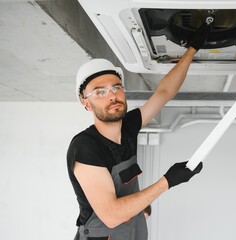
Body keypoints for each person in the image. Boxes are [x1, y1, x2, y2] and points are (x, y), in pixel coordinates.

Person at [67, 22, 212, 240]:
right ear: (86, 103)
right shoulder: (85, 146)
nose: (112, 96)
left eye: (116, 87)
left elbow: (164, 92)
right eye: (100, 92)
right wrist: (168, 181)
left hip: (133, 227)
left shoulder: (128, 126)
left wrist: (192, 49)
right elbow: (112, 215)